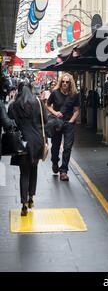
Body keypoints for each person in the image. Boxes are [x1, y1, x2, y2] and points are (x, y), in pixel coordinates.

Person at [8, 84, 47, 216]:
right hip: (36, 141)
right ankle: (31, 197)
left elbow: (9, 120)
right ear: (31, 90)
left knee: (24, 173)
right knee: (34, 168)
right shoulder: (38, 102)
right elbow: (45, 120)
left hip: (21, 142)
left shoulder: (14, 105)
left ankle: (24, 203)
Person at [46, 73, 80, 181]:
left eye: (67, 82)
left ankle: (64, 171)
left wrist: (71, 121)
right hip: (57, 123)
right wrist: (55, 113)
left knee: (68, 148)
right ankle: (54, 162)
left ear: (70, 83)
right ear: (61, 82)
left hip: (69, 123)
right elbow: (47, 105)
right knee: (55, 146)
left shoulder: (74, 94)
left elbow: (77, 110)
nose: (65, 84)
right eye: (63, 82)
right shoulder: (55, 93)